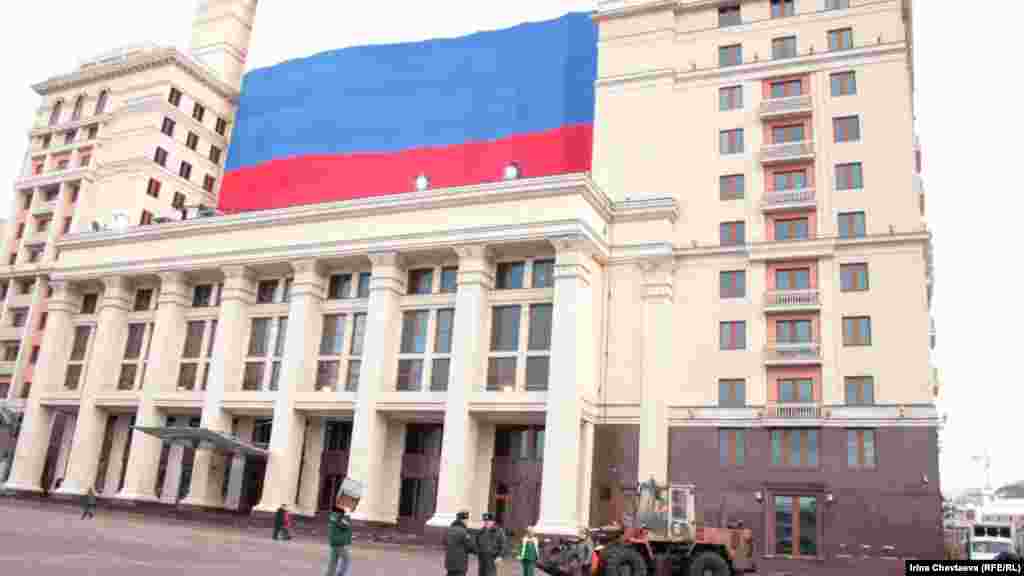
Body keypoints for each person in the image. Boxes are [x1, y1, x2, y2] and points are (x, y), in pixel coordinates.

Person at [326, 497, 353, 576]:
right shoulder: (339, 515)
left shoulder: (334, 515)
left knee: (333, 562)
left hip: (335, 542)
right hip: (339, 542)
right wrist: (347, 515)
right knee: (346, 560)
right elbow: (344, 525)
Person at [445, 510, 476, 576]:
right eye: (467, 520)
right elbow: (471, 546)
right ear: (464, 520)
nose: (467, 522)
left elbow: (444, 542)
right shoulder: (464, 532)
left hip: (449, 563)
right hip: (460, 564)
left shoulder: (449, 530)